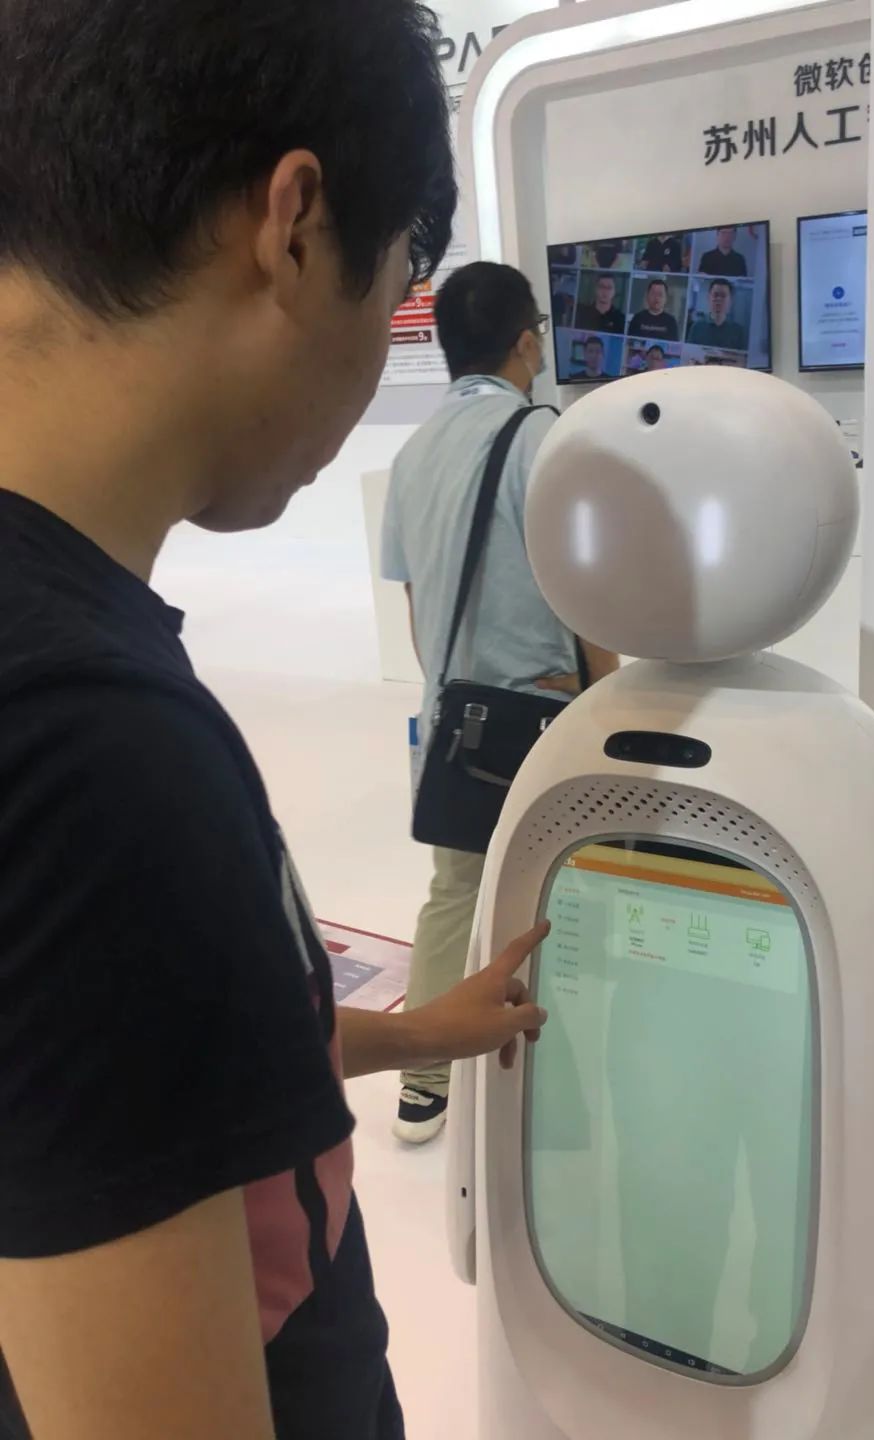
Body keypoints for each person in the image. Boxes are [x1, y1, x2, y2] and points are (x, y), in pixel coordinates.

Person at [0, 5, 558, 1439]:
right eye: (395, 286)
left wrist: (412, 1029)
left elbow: (99, 1083)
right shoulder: (90, 753)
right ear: (296, 225)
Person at [381, 267, 619, 1144]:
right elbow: (585, 593)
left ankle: (423, 1081)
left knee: (455, 893)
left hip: (456, 720)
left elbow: (416, 608)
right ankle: (557, 1086)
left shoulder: (413, 453)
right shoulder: (543, 438)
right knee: (562, 892)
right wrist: (608, 697)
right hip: (545, 718)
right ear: (527, 342)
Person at [688, 279, 748, 350]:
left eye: (723, 296)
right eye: (715, 295)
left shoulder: (738, 331)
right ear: (708, 298)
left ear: (730, 301)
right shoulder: (696, 328)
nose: (719, 299)